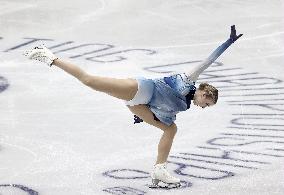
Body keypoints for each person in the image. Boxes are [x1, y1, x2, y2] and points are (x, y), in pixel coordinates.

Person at [24, 25, 242, 187]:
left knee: (171, 128)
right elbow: (206, 62)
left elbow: (163, 109)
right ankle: (50, 56)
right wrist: (227, 44)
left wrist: (144, 115)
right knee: (90, 81)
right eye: (207, 102)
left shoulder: (185, 104)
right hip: (140, 89)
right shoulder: (187, 80)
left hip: (141, 105)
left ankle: (159, 170)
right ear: (204, 92)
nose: (204, 107)